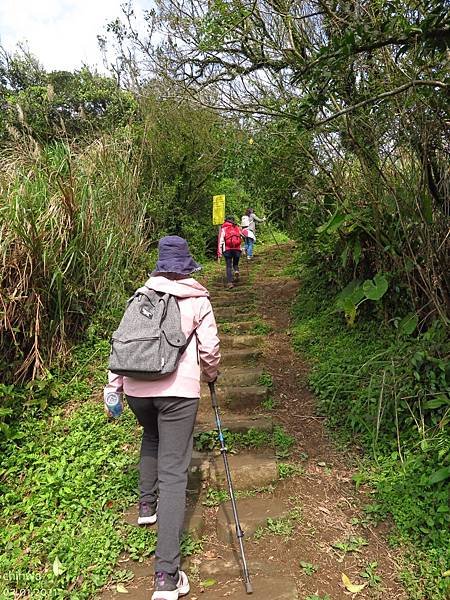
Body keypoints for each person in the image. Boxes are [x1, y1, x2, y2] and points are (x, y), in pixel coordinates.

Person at [104, 236, 220, 600]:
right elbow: (210, 349)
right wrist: (211, 374)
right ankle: (167, 576)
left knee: (150, 438)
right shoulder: (198, 299)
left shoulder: (140, 296)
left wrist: (115, 386)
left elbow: (122, 342)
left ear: (159, 266)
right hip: (179, 394)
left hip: (138, 390)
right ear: (186, 267)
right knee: (174, 476)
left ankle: (145, 505)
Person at [217, 215, 242, 289]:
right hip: (237, 249)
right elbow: (242, 236)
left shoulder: (224, 228)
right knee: (235, 263)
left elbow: (221, 241)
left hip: (227, 249)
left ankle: (230, 282)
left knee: (228, 266)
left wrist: (219, 252)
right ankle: (236, 270)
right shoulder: (236, 227)